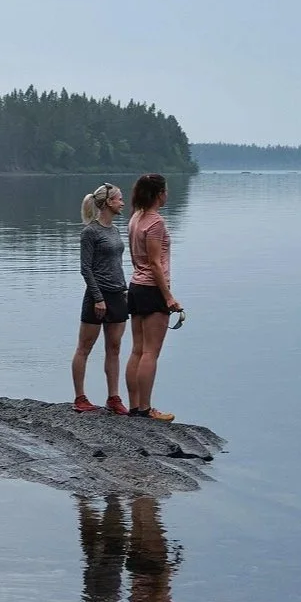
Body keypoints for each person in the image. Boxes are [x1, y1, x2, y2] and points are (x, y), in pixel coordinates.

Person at [125, 173, 183, 422]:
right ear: (159, 194)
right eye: (165, 191)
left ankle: (135, 406)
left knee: (137, 350)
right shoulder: (155, 222)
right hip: (152, 289)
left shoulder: (135, 218)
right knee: (151, 352)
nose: (167, 194)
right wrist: (168, 297)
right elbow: (155, 263)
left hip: (136, 286)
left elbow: (138, 258)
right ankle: (146, 409)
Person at [72, 182, 129, 414]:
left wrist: (124, 290)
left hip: (117, 294)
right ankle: (80, 398)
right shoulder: (90, 232)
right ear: (108, 203)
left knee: (114, 348)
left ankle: (113, 398)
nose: (122, 203)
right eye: (119, 199)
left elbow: (116, 263)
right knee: (84, 347)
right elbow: (86, 269)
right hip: (97, 296)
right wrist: (97, 297)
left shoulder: (115, 230)